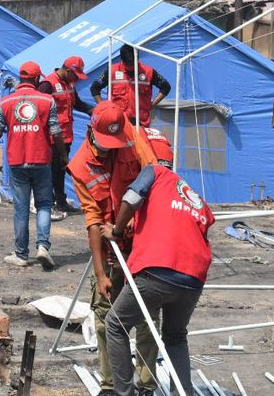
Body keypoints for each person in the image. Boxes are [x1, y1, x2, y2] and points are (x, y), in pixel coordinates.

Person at [68, 101, 162, 396]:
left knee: (148, 314)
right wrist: (100, 273)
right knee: (105, 315)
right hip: (110, 249)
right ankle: (111, 384)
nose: (111, 149)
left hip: (142, 242)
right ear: (90, 131)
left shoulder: (132, 137)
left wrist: (136, 221)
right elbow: (93, 221)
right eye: (105, 143)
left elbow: (155, 178)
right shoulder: (80, 166)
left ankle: (146, 383)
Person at [106, 162, 214, 396]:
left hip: (158, 269)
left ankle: (123, 393)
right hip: (193, 277)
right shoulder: (193, 197)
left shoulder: (155, 172)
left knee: (115, 324)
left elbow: (131, 199)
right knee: (176, 336)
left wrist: (116, 231)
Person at [0, 61, 65, 268]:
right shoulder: (47, 101)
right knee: (44, 205)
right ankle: (43, 247)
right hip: (41, 160)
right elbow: (56, 133)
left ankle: (21, 255)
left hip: (17, 162)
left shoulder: (5, 102)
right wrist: (63, 155)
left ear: (21, 78)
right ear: (36, 79)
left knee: (21, 209)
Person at [39, 56, 95, 220]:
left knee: (61, 170)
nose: (76, 79)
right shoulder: (47, 84)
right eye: (75, 75)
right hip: (51, 137)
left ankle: (61, 202)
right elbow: (39, 109)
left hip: (66, 136)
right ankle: (48, 205)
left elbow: (77, 103)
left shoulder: (69, 84)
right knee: (50, 171)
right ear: (68, 71)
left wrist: (93, 110)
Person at [91, 44, 171, 127]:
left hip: (141, 123)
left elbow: (166, 87)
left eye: (133, 63)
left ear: (137, 58)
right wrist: (105, 109)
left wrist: (151, 106)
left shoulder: (148, 72)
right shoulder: (112, 71)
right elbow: (94, 88)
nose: (131, 67)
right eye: (128, 64)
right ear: (122, 60)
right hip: (117, 122)